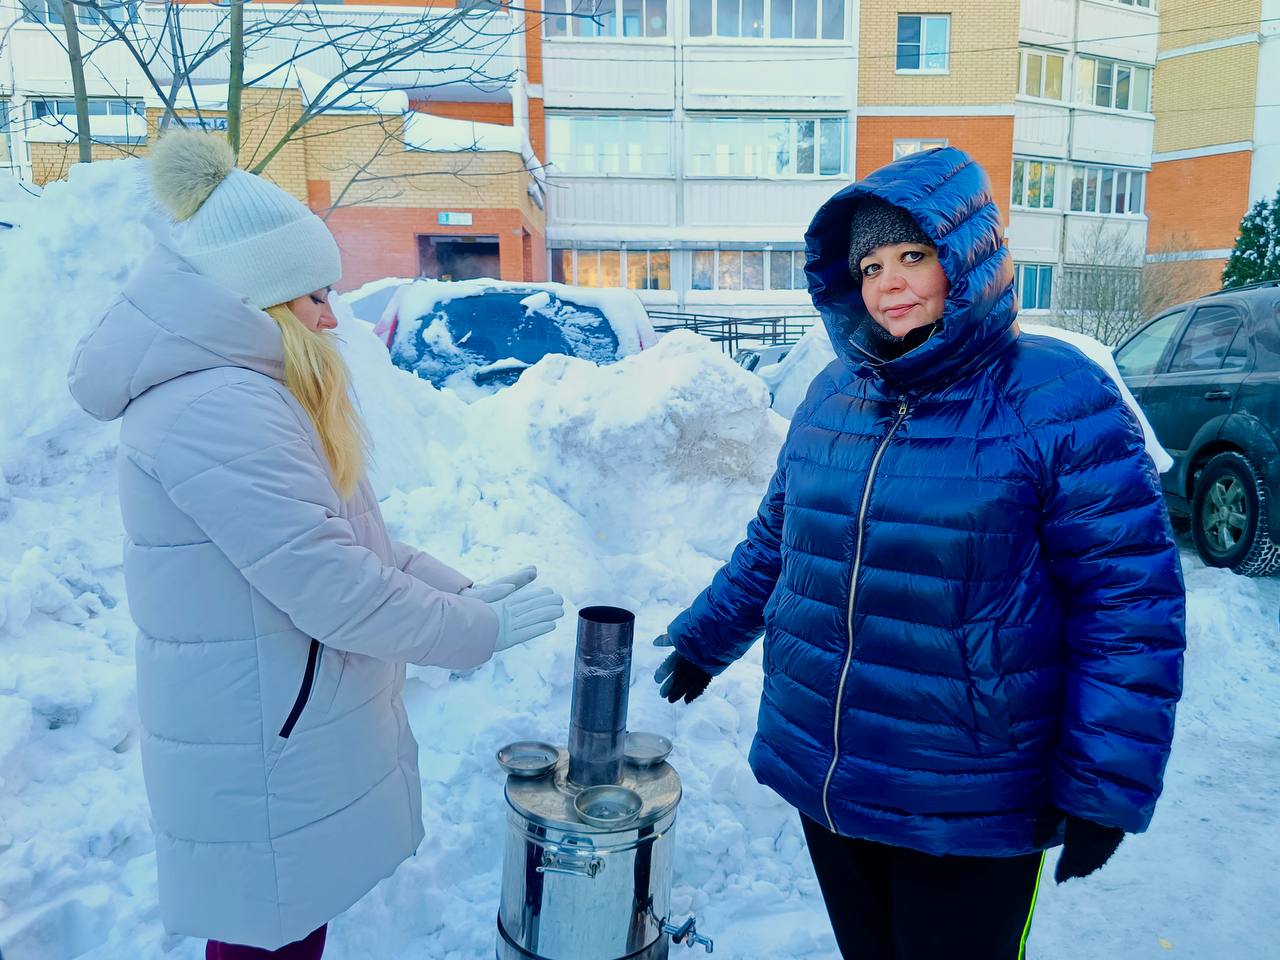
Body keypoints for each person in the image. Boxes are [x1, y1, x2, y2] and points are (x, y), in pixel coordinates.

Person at [653, 146, 1185, 960]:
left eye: (912, 256)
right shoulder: (834, 395)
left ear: (965, 260)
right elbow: (777, 544)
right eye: (870, 267)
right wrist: (704, 640)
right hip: (832, 772)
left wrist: (1104, 782)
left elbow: (1127, 602)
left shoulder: (1056, 397)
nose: (889, 284)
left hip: (967, 793)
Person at [67, 129, 566, 959]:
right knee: (270, 937)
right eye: (314, 297)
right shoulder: (218, 407)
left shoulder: (246, 392)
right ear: (257, 298)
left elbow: (347, 542)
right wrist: (473, 632)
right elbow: (333, 586)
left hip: (274, 720)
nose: (334, 316)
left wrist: (456, 593)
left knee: (286, 926)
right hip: (263, 738)